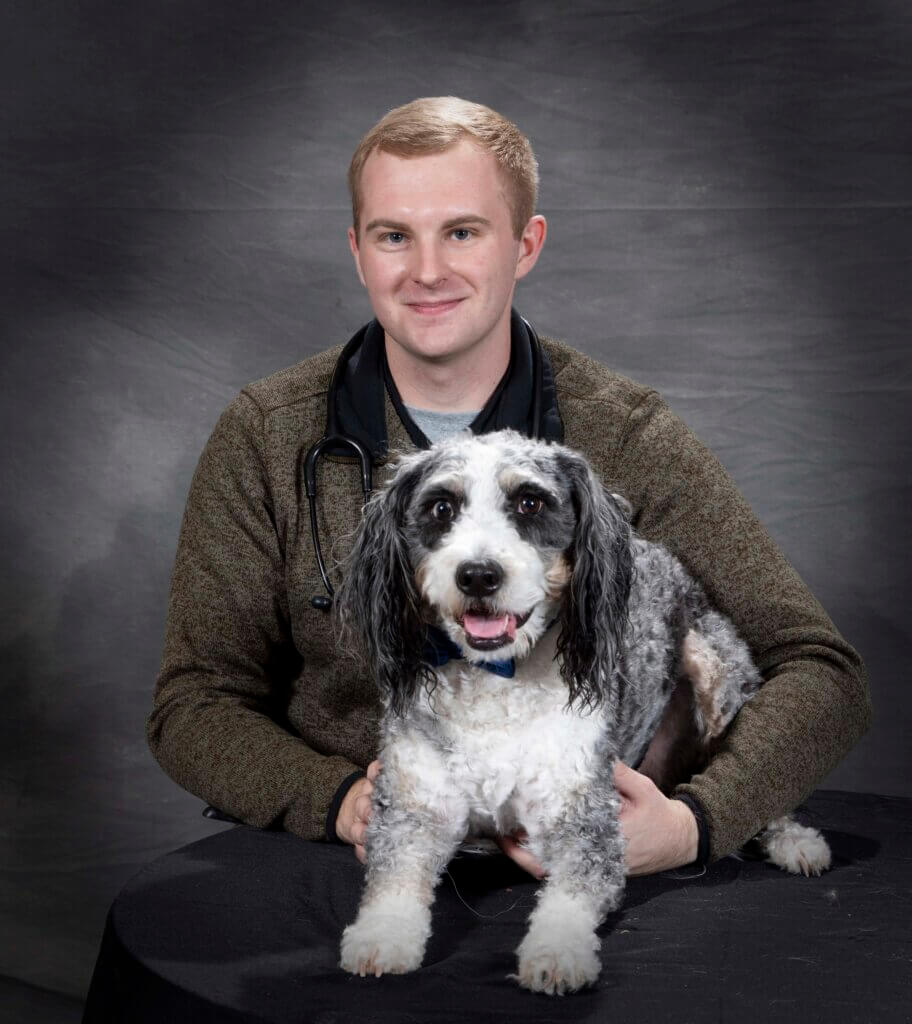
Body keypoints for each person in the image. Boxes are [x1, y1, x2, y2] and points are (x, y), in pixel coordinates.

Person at [147, 97, 870, 881]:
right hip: (353, 865)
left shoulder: (625, 431)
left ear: (526, 245)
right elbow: (195, 702)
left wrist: (697, 822)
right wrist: (338, 798)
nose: (427, 271)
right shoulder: (266, 432)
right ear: (358, 252)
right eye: (395, 236)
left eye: (462, 231)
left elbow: (824, 672)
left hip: (589, 857)